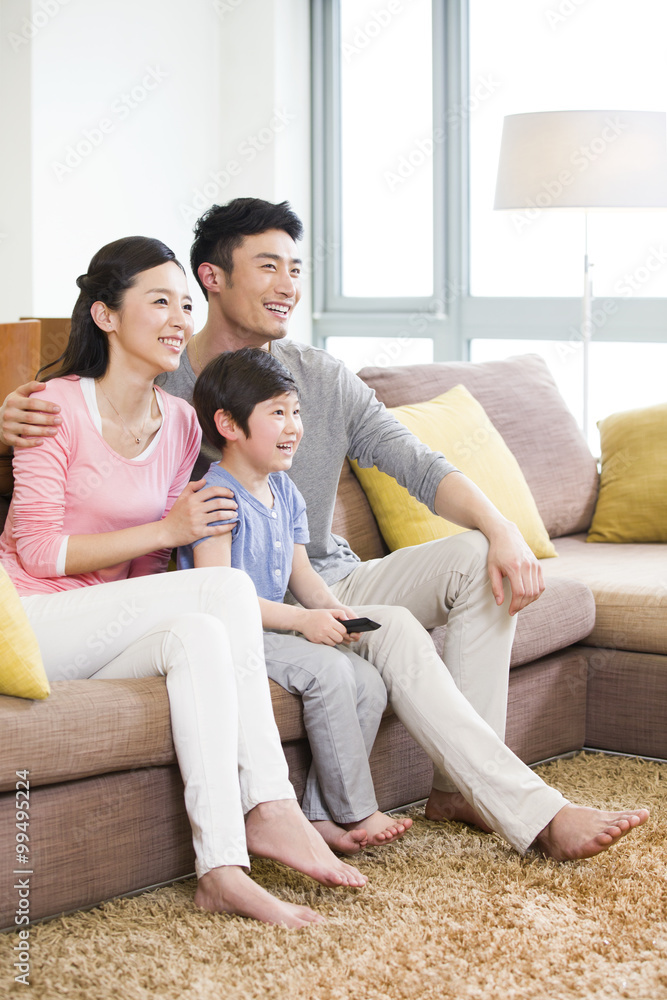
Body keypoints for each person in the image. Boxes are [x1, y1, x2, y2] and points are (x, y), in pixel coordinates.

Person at [1, 203, 650, 860]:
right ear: (213, 278)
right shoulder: (161, 378)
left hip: (325, 570)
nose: (288, 284)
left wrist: (502, 525)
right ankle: (521, 808)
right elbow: (77, 422)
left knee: (480, 554)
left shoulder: (318, 377)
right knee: (378, 631)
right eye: (267, 266)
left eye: (295, 268)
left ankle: (462, 787)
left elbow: (417, 465)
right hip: (229, 587)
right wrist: (9, 414)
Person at [0, 235, 367, 929]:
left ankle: (222, 868)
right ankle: (275, 805)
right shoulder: (54, 406)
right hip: (32, 619)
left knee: (199, 633)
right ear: (107, 316)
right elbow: (40, 550)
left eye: (187, 304)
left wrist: (163, 546)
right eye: (160, 301)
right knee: (221, 592)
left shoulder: (177, 422)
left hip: (104, 625)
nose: (179, 318)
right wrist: (169, 532)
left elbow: (144, 575)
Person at [179, 346, 412, 855]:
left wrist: (332, 611)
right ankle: (357, 811)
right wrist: (304, 622)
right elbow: (219, 597)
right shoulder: (215, 498)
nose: (294, 426)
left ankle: (321, 817)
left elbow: (301, 572)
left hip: (273, 625)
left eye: (297, 412)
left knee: (368, 681)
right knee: (327, 673)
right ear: (229, 424)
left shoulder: (286, 492)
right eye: (277, 413)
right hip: (230, 635)